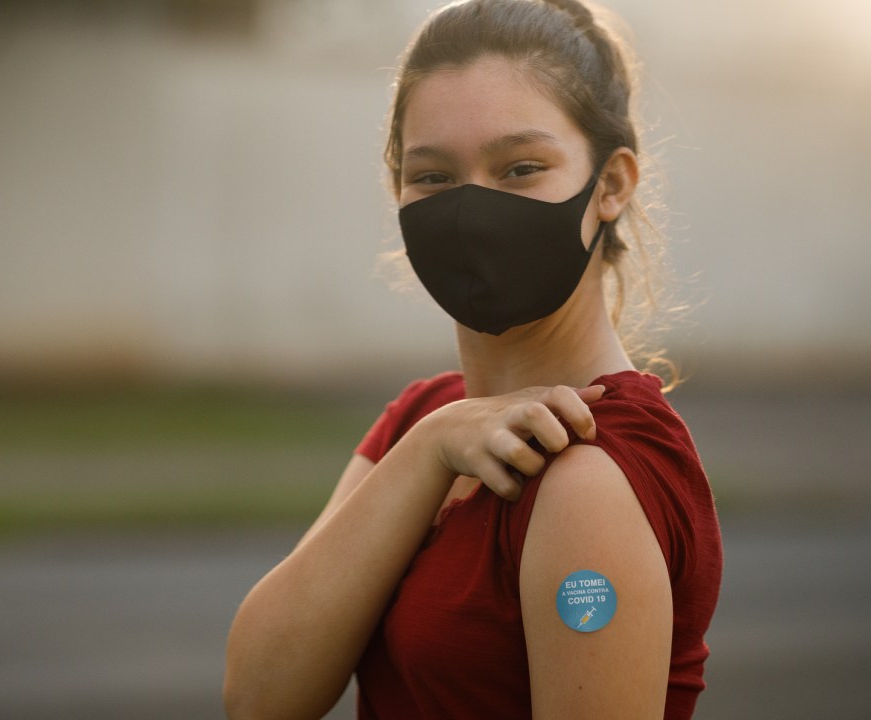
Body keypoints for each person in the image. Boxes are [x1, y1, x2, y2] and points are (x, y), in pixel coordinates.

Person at [223, 0, 722, 718]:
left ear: (611, 185)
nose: (471, 211)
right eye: (433, 176)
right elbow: (258, 696)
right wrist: (427, 450)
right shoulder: (424, 421)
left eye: (520, 167)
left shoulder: (586, 468)